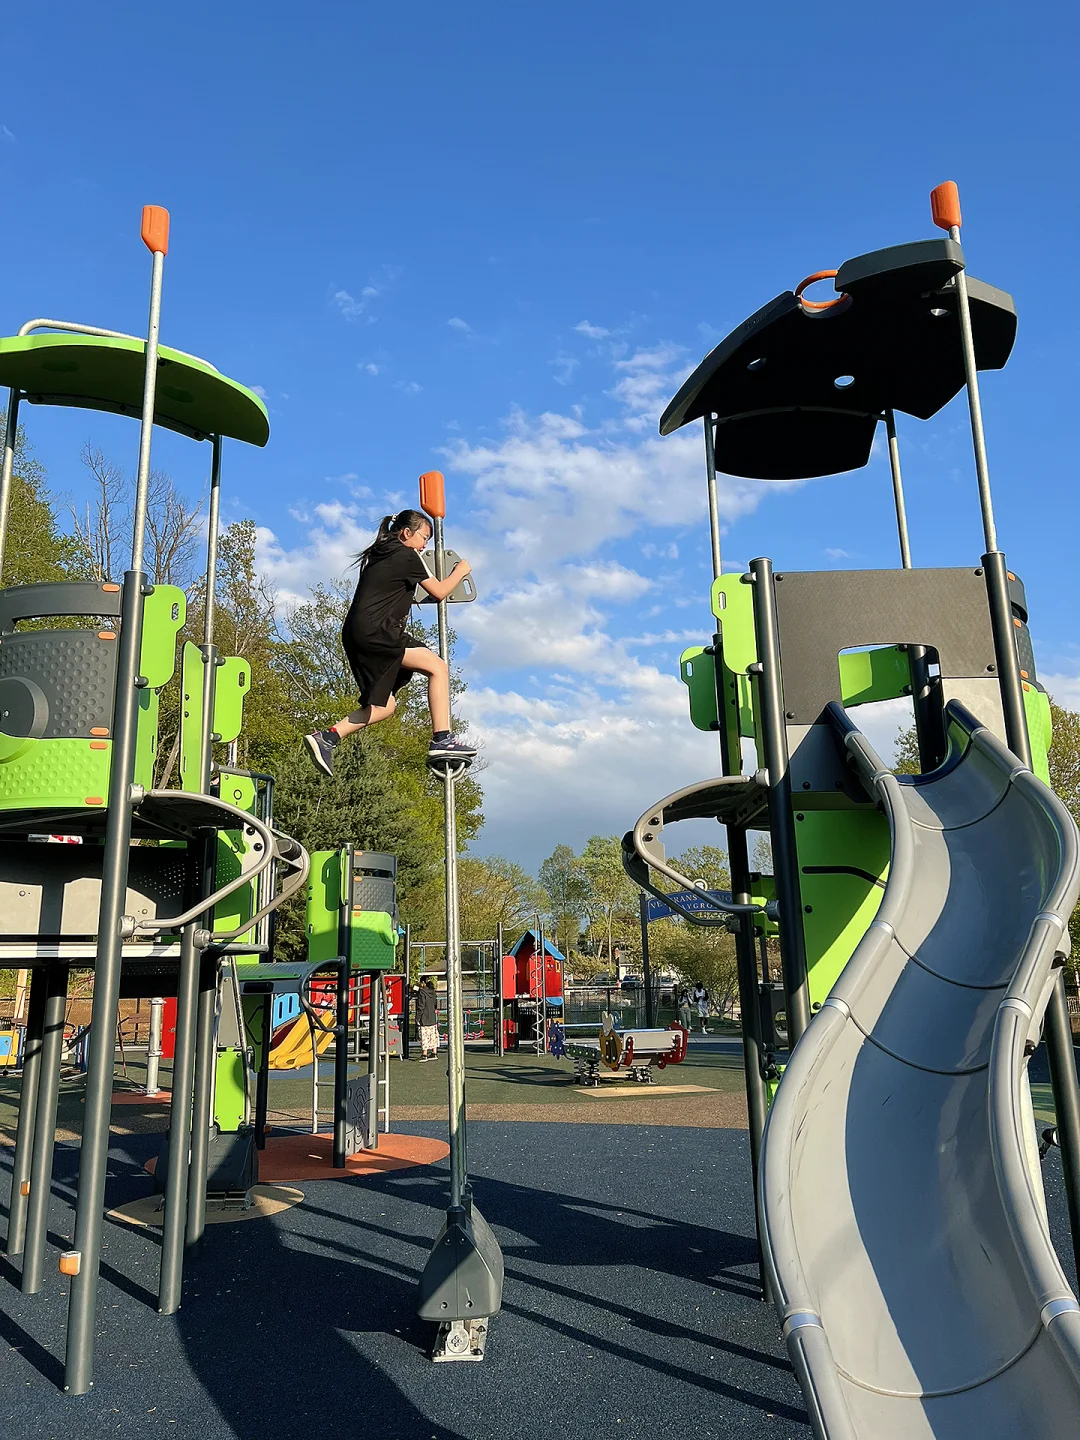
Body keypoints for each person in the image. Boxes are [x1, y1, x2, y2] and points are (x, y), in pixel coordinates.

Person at [304, 509, 476, 775]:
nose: (425, 545)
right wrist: (461, 571)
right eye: (424, 538)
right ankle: (442, 739)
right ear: (407, 533)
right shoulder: (406, 555)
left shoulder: (381, 553)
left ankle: (327, 738)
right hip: (378, 632)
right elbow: (440, 591)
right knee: (438, 668)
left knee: (384, 707)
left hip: (357, 635)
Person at [415, 978, 439, 1060]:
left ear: (423, 982)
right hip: (432, 1016)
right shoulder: (433, 991)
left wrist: (417, 1018)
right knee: (433, 1035)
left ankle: (424, 1054)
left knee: (425, 1035)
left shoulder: (422, 992)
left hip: (424, 1017)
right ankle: (434, 1052)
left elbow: (421, 1006)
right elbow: (435, 1003)